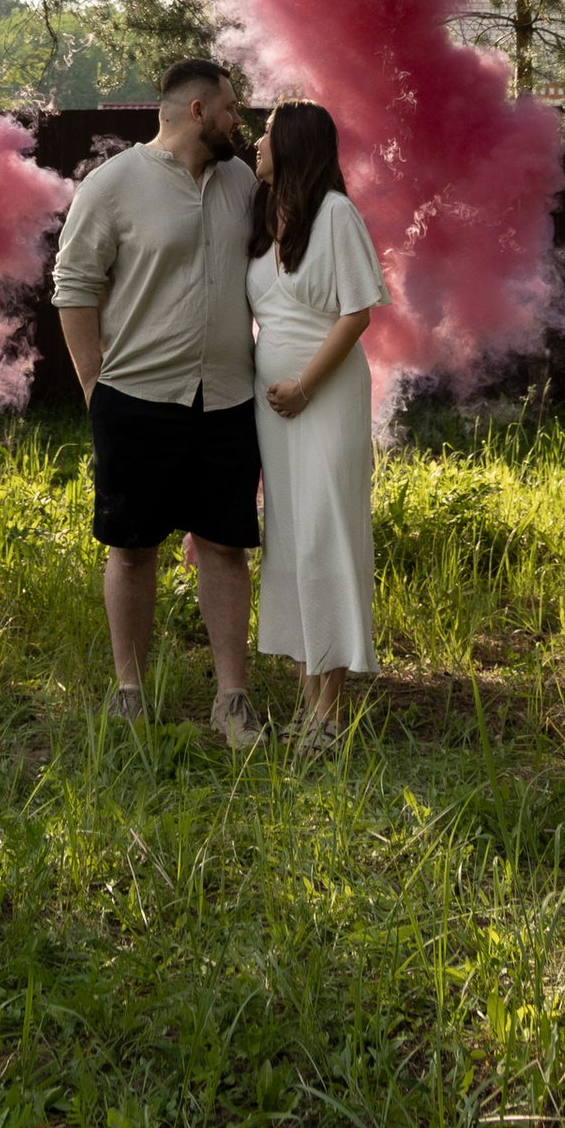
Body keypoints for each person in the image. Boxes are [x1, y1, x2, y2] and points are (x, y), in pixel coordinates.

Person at [51, 58, 267, 744]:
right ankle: (130, 694)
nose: (239, 121)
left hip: (228, 399)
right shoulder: (112, 185)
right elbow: (73, 284)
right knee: (132, 548)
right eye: (230, 108)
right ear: (198, 111)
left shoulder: (242, 182)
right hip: (136, 397)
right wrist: (94, 386)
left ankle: (232, 699)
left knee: (225, 547)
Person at [245, 99, 384, 745]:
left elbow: (357, 313)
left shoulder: (335, 215)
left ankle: (329, 716)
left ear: (295, 144)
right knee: (291, 540)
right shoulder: (265, 214)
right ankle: (307, 704)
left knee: (326, 537)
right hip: (274, 410)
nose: (257, 141)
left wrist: (303, 386)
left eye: (269, 132)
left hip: (324, 400)